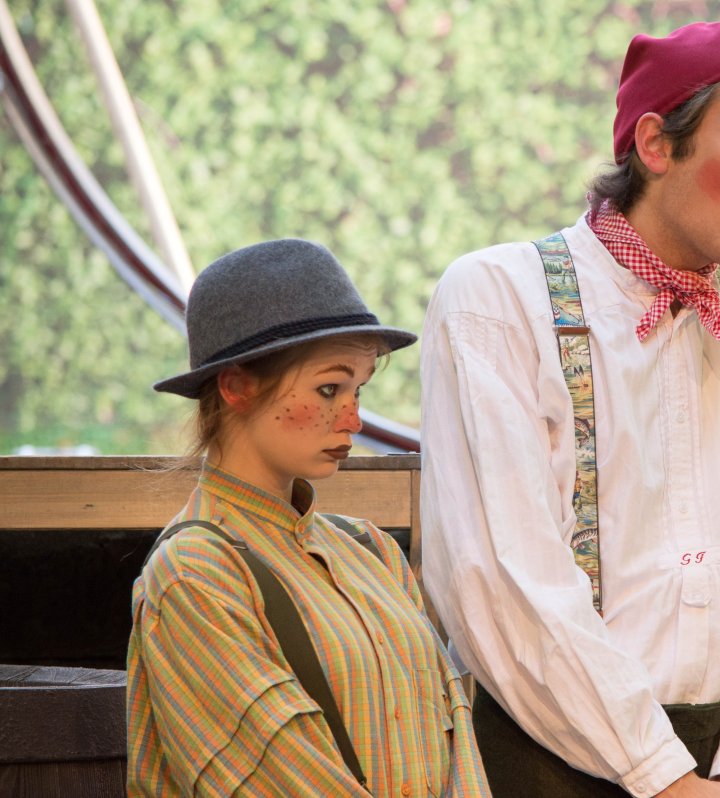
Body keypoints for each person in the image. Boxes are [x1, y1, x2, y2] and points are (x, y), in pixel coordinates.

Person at [419, 21, 720, 798]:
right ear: (655, 144)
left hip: (718, 768)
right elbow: (501, 577)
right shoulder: (498, 299)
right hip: (536, 763)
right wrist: (665, 779)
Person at [127, 239, 490, 796]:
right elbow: (277, 776)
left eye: (357, 390)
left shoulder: (372, 551)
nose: (353, 419)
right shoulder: (195, 573)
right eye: (328, 389)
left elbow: (457, 736)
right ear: (237, 386)